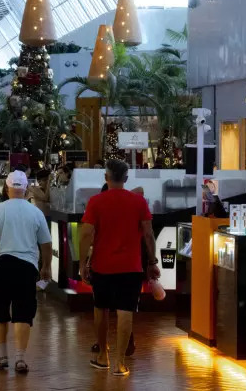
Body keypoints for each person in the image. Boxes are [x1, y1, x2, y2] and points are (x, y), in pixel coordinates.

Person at [79, 160, 159, 377]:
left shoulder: (96, 201)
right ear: (126, 179)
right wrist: (152, 262)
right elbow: (149, 234)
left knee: (101, 309)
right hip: (131, 267)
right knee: (125, 312)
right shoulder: (138, 202)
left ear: (106, 177)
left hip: (102, 266)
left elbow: (86, 233)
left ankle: (103, 356)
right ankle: (120, 363)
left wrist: (82, 264)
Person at [0, 171, 52, 374]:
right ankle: (20, 359)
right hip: (27, 267)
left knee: (0, 312)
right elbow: (46, 243)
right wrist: (46, 267)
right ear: (26, 189)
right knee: (23, 313)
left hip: (2, 265)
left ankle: (2, 357)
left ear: (6, 188)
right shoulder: (35, 211)